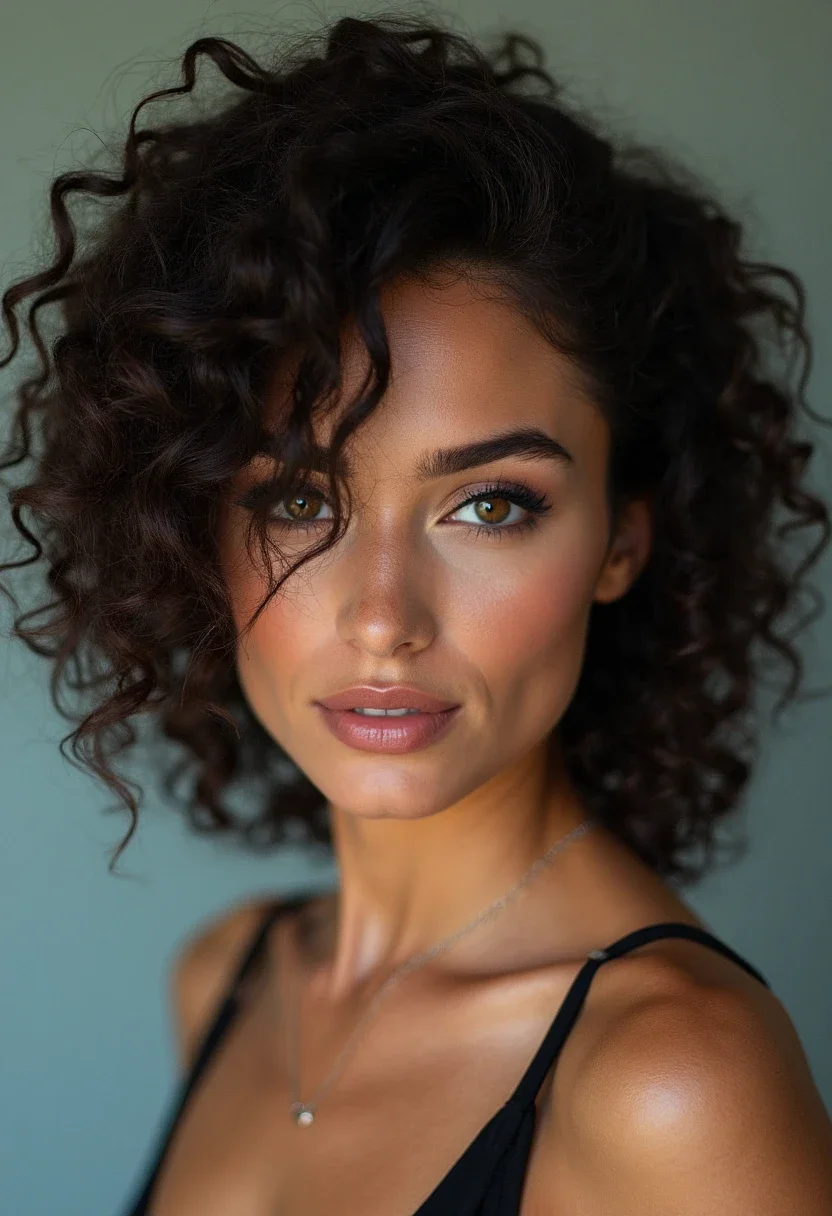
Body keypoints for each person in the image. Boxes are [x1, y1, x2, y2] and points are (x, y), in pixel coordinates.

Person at [1, 12, 831, 1215]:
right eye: (297, 496)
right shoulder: (231, 977)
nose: (384, 617)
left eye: (491, 505)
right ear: (189, 525)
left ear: (621, 539)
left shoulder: (672, 1082)